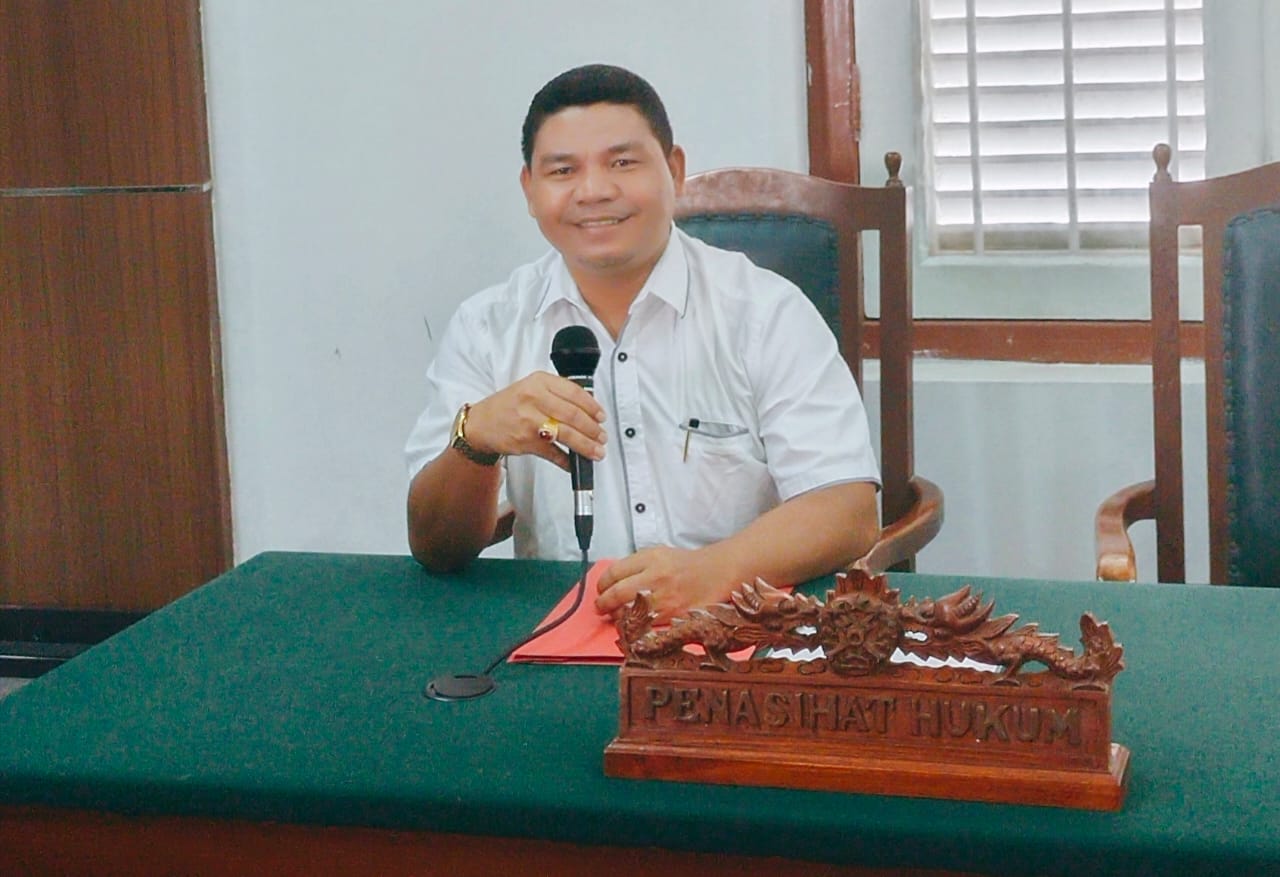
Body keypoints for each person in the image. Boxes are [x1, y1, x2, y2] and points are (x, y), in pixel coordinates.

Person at [405, 64, 879, 622]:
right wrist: (475, 440)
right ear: (530, 190)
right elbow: (435, 547)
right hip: (562, 629)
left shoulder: (764, 312)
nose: (594, 191)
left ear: (674, 170)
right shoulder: (488, 326)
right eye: (563, 171)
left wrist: (711, 572)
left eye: (622, 163)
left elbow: (848, 510)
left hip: (737, 627)